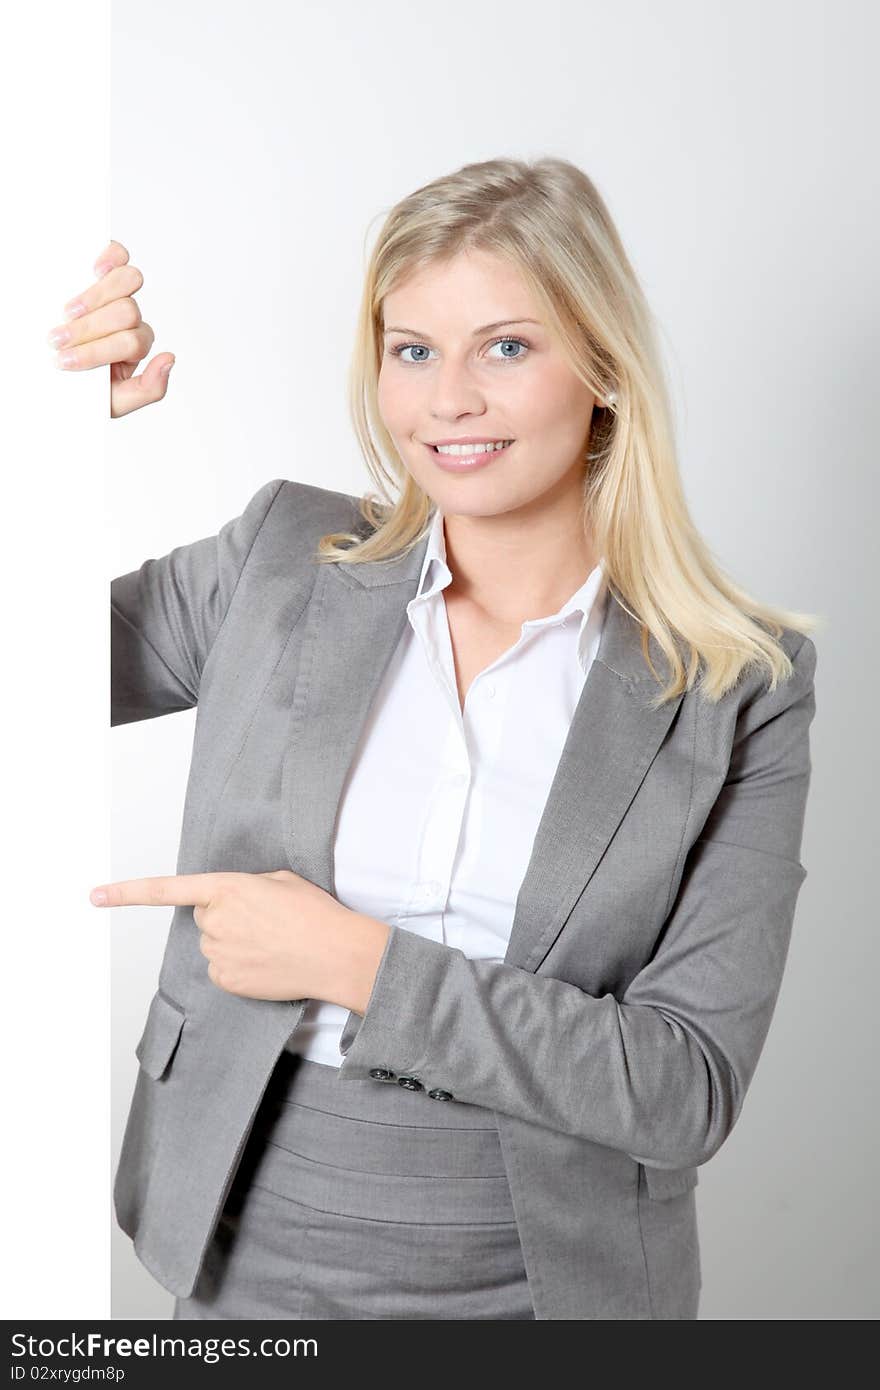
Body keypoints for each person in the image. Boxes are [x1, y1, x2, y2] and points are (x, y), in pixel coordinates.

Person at [52, 156, 819, 1320]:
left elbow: (685, 1085)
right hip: (236, 1241)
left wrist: (358, 964)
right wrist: (39, 438)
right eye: (411, 349)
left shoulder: (735, 682)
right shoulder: (277, 558)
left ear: (604, 367)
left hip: (555, 1284)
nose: (446, 399)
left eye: (505, 347)